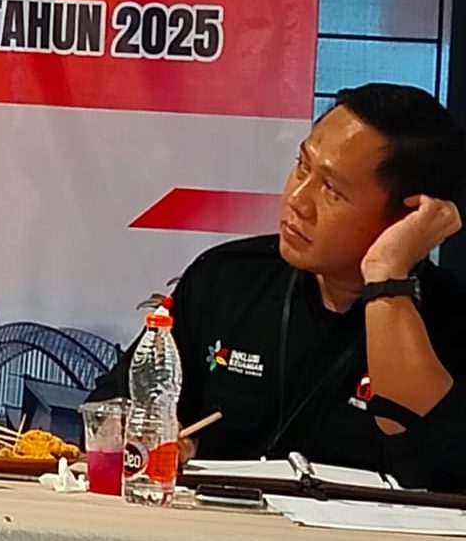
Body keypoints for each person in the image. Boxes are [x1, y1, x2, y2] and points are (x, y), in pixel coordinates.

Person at [90, 82, 466, 490]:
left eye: (332, 190)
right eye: (302, 165)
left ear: (406, 217)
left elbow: (442, 472)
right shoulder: (225, 279)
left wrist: (386, 272)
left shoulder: (450, 320)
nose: (297, 201)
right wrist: (146, 434)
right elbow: (109, 411)